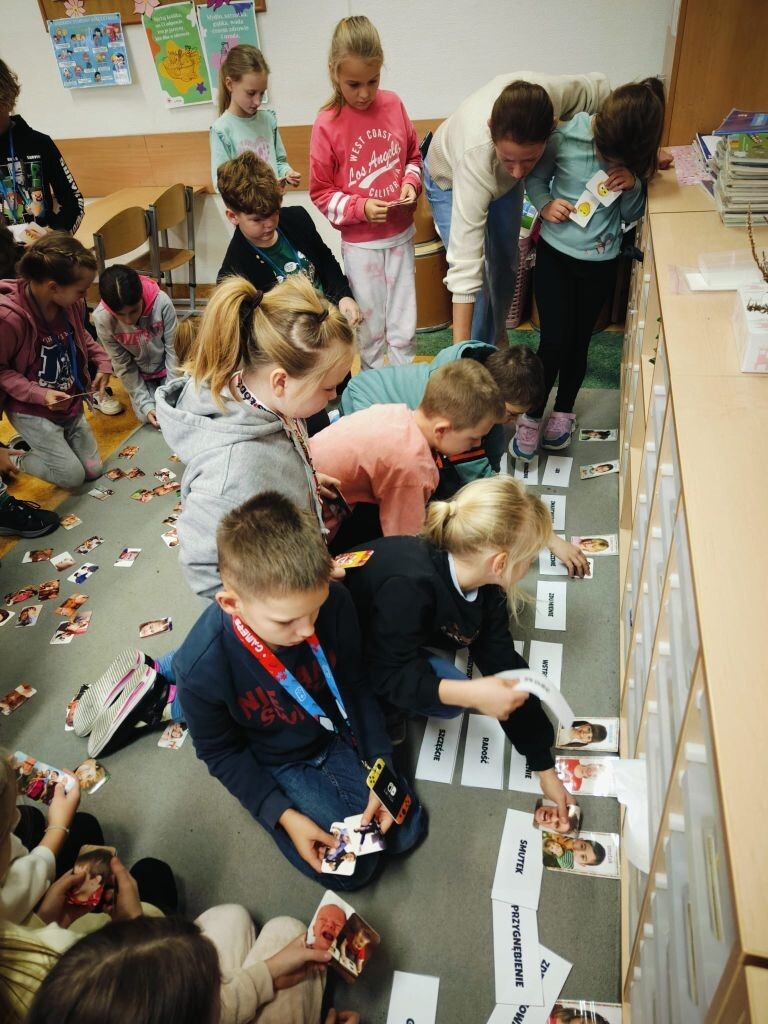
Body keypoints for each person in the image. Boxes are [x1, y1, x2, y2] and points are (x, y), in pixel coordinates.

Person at [78, 493, 426, 890]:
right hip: (276, 759)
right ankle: (160, 696)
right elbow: (221, 753)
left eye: (314, 609)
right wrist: (281, 814)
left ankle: (156, 689)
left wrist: (382, 760)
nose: (307, 630)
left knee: (406, 828)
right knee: (354, 872)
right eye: (286, 621)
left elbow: (355, 686)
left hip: (332, 732)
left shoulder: (336, 602)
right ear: (231, 604)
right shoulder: (202, 665)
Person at [343, 475, 571, 818]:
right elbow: (386, 672)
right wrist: (471, 693)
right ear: (500, 563)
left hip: (396, 627)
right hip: (348, 645)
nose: (529, 567)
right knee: (445, 699)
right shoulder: (409, 587)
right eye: (530, 558)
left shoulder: (484, 584)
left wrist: (544, 766)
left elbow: (504, 664)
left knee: (452, 684)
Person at [155, 273, 354, 601]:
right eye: (329, 387)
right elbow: (204, 571)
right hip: (281, 598)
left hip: (296, 556)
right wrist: (286, 595)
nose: (334, 396)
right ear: (281, 382)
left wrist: (304, 480)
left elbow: (270, 464)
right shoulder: (231, 472)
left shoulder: (267, 397)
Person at [512, 78, 665, 458]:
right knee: (552, 342)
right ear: (599, 130)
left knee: (579, 342)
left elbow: (631, 215)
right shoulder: (566, 137)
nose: (608, 164)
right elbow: (534, 179)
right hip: (555, 257)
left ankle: (563, 411)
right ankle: (532, 415)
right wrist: (545, 204)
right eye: (605, 155)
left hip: (600, 264)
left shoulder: (630, 153)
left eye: (616, 161)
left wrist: (633, 186)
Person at [424, 72, 611, 345]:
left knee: (507, 262)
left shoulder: (552, 94)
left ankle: (497, 336)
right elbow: (464, 268)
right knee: (479, 281)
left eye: (530, 160)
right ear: (491, 128)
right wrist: (458, 354)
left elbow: (602, 91)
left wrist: (641, 154)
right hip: (450, 179)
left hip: (497, 179)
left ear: (552, 126)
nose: (519, 172)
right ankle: (475, 356)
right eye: (509, 159)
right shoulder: (474, 157)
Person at [310, 15, 421, 369]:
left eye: (373, 81)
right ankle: (375, 389)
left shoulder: (393, 104)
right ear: (334, 73)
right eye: (353, 84)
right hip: (362, 246)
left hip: (400, 236)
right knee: (369, 331)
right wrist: (360, 208)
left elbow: (413, 157)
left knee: (404, 326)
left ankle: (404, 389)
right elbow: (321, 192)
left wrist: (410, 183)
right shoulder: (326, 123)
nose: (364, 93)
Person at [310, 360, 504, 549]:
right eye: (473, 438)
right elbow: (403, 543)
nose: (478, 444)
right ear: (441, 430)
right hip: (314, 528)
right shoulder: (414, 467)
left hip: (312, 480)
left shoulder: (397, 412)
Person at [340, 340, 545, 488]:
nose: (514, 422)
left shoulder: (489, 377)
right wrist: (503, 493)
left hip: (378, 393)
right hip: (363, 402)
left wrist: (494, 474)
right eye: (512, 413)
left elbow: (492, 449)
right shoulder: (462, 404)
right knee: (399, 477)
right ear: (494, 397)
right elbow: (475, 471)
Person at [0, 233, 113, 489]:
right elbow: (1, 371)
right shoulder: (8, 318)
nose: (85, 296)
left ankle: (50, 446)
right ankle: (14, 456)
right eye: (81, 290)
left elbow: (80, 334)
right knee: (72, 478)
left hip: (68, 402)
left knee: (93, 470)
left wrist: (101, 358)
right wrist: (40, 394)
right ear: (53, 287)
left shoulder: (70, 303)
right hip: (31, 409)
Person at [217, 151, 361, 329]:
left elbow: (325, 260)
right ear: (233, 216)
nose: (270, 224)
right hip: (288, 338)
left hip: (328, 321)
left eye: (274, 212)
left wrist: (343, 296)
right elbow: (247, 327)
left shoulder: (297, 218)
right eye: (257, 219)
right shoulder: (233, 271)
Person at [0, 60, 84, 232]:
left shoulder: (38, 143)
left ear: (6, 98)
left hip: (41, 245)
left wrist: (53, 240)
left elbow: (74, 203)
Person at [92, 264, 178, 428]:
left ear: (141, 297)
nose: (128, 320)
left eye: (133, 311)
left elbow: (174, 351)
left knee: (176, 405)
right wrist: (145, 404)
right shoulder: (102, 318)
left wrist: (171, 390)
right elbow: (123, 366)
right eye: (120, 314)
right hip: (141, 375)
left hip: (167, 368)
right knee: (147, 415)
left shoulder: (162, 302)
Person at [209, 45, 298, 188]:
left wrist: (287, 173)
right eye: (251, 93)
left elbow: (279, 162)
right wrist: (259, 188)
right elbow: (221, 184)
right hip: (245, 204)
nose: (257, 101)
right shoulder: (222, 130)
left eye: (262, 93)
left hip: (274, 202)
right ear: (230, 84)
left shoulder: (268, 120)